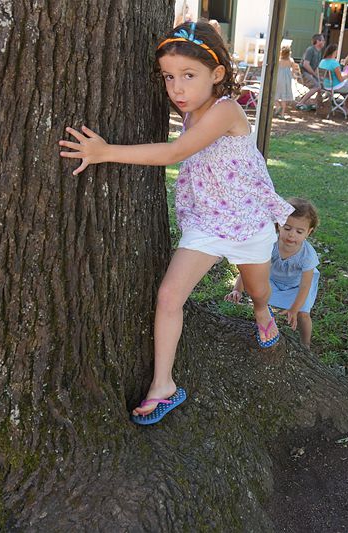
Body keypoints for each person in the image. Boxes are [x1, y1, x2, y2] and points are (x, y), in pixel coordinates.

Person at [59, 21, 294, 425]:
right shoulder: (193, 106)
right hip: (206, 222)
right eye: (169, 77)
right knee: (169, 296)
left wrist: (104, 151)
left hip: (247, 222)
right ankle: (163, 385)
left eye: (189, 76)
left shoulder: (227, 110)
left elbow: (174, 154)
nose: (177, 89)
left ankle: (260, 313)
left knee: (259, 288)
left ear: (217, 74)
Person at [226, 198, 320, 347]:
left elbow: (305, 286)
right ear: (278, 225)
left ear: (308, 232)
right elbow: (251, 266)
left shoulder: (308, 255)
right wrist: (237, 289)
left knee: (303, 314)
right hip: (273, 282)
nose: (291, 235)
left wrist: (294, 308)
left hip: (297, 287)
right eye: (287, 228)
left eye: (299, 231)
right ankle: (266, 323)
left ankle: (306, 343)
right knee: (260, 299)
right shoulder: (270, 244)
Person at [318, 43, 348, 118]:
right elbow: (340, 79)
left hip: (325, 86)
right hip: (335, 87)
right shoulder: (334, 63)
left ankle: (346, 106)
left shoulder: (322, 61)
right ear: (334, 52)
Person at [296, 34, 326, 111]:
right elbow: (306, 64)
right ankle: (300, 103)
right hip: (303, 73)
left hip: (310, 74)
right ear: (318, 41)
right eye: (322, 40)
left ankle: (315, 103)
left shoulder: (319, 52)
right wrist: (314, 74)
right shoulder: (311, 50)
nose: (324, 42)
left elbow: (316, 67)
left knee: (323, 84)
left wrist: (318, 77)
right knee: (317, 86)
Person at [274, 46, 300, 118]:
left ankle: (278, 105)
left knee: (274, 93)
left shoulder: (278, 60)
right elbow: (294, 71)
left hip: (279, 79)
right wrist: (294, 76)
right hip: (287, 80)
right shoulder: (291, 60)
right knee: (284, 97)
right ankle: (282, 114)